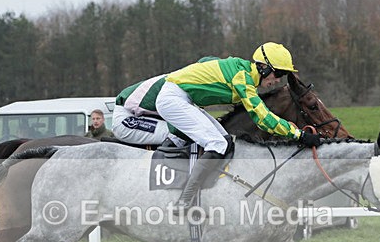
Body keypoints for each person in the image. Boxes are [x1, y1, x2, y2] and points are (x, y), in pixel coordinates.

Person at [116, 42, 323, 211]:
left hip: (182, 98)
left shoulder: (243, 71)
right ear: (264, 67)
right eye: (277, 74)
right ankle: (184, 200)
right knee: (216, 144)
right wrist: (298, 135)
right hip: (173, 98)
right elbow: (263, 118)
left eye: (282, 77)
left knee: (226, 140)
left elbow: (207, 62)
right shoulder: (242, 78)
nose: (277, 81)